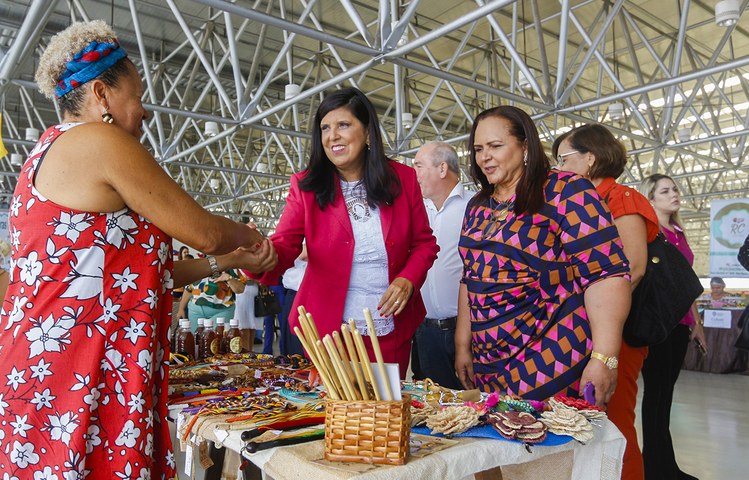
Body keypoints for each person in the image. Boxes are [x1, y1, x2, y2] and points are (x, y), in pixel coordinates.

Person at [0, 20, 276, 479]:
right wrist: (250, 236)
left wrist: (230, 262)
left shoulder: (45, 152)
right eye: (137, 97)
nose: (143, 113)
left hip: (47, 372)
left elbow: (135, 277)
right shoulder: (99, 142)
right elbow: (203, 230)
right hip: (70, 375)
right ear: (101, 94)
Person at [249, 87, 439, 377]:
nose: (332, 135)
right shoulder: (305, 187)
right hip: (329, 335)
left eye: (343, 125)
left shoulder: (403, 179)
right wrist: (254, 254)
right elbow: (284, 248)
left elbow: (424, 244)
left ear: (367, 133)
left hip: (390, 329)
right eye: (325, 127)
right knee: (339, 417)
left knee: (384, 415)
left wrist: (407, 279)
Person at [455, 105, 631, 404]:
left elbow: (606, 274)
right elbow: (470, 276)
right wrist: (463, 343)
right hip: (488, 357)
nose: (484, 156)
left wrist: (605, 357)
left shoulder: (566, 191)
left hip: (550, 352)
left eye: (496, 146)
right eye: (478, 148)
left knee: (547, 444)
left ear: (525, 147)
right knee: (497, 439)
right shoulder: (478, 205)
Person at [553, 124, 659, 480]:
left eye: (564, 159)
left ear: (590, 159)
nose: (558, 168)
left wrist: (598, 318)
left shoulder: (620, 198)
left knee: (615, 419)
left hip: (614, 332)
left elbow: (632, 267)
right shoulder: (571, 203)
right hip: (581, 329)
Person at [638, 174, 706, 480]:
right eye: (665, 190)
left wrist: (698, 324)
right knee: (655, 396)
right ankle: (654, 467)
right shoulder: (650, 234)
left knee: (665, 396)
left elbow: (686, 283)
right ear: (650, 199)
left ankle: (664, 465)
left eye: (675, 188)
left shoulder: (678, 232)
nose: (674, 194)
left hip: (681, 324)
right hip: (658, 325)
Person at [412, 141, 474, 389]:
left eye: (418, 165)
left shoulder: (474, 206)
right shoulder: (417, 212)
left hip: (467, 329)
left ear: (442, 168)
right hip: (426, 333)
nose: (413, 173)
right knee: (434, 408)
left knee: (471, 403)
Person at [176, 268, 240, 331]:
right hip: (195, 310)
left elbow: (240, 290)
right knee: (195, 338)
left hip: (223, 311)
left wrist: (229, 278)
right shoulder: (197, 266)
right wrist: (181, 309)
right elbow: (189, 289)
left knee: (216, 338)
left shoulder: (230, 267)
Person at [279, 248, 308, 356]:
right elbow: (305, 253)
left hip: (315, 294)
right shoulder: (291, 243)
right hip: (295, 294)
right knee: (294, 348)